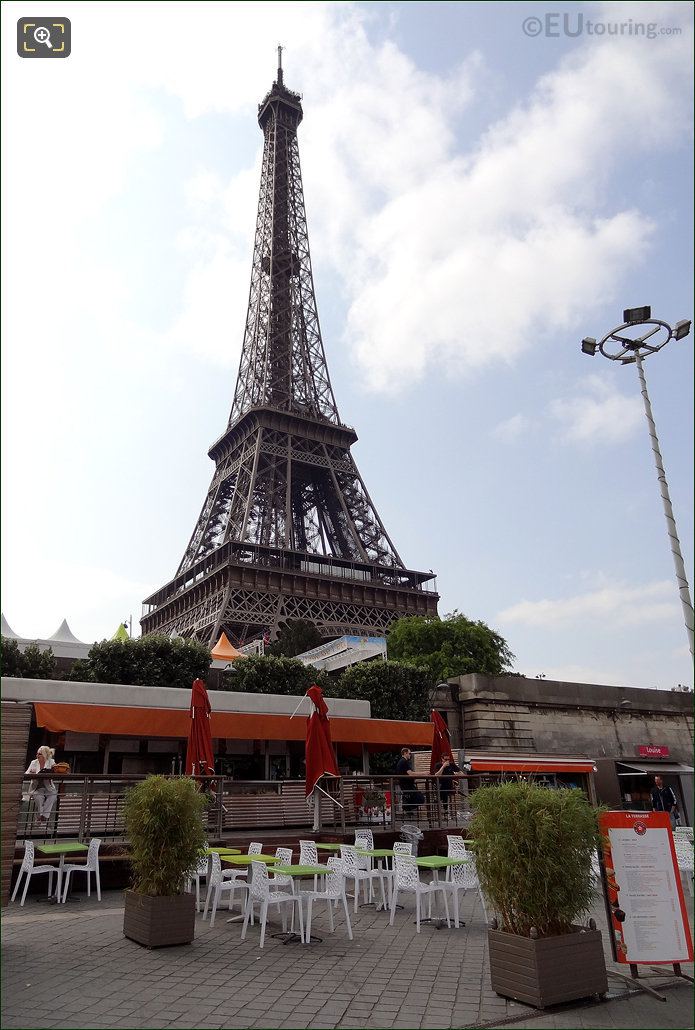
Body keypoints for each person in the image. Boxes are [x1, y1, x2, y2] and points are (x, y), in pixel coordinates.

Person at [25, 746, 58, 824]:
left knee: (53, 795)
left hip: (48, 786)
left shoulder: (51, 762)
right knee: (39, 797)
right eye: (37, 753)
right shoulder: (34, 762)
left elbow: (56, 772)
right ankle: (40, 816)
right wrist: (32, 773)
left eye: (39, 754)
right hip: (36, 787)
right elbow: (26, 773)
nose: (37, 755)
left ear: (44, 755)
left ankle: (44, 816)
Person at [395, 747, 425, 818]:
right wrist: (424, 773)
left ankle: (407, 807)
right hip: (407, 785)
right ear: (405, 753)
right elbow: (410, 773)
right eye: (409, 753)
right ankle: (407, 807)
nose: (410, 755)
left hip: (406, 784)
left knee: (416, 798)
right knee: (420, 799)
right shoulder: (404, 761)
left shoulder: (402, 762)